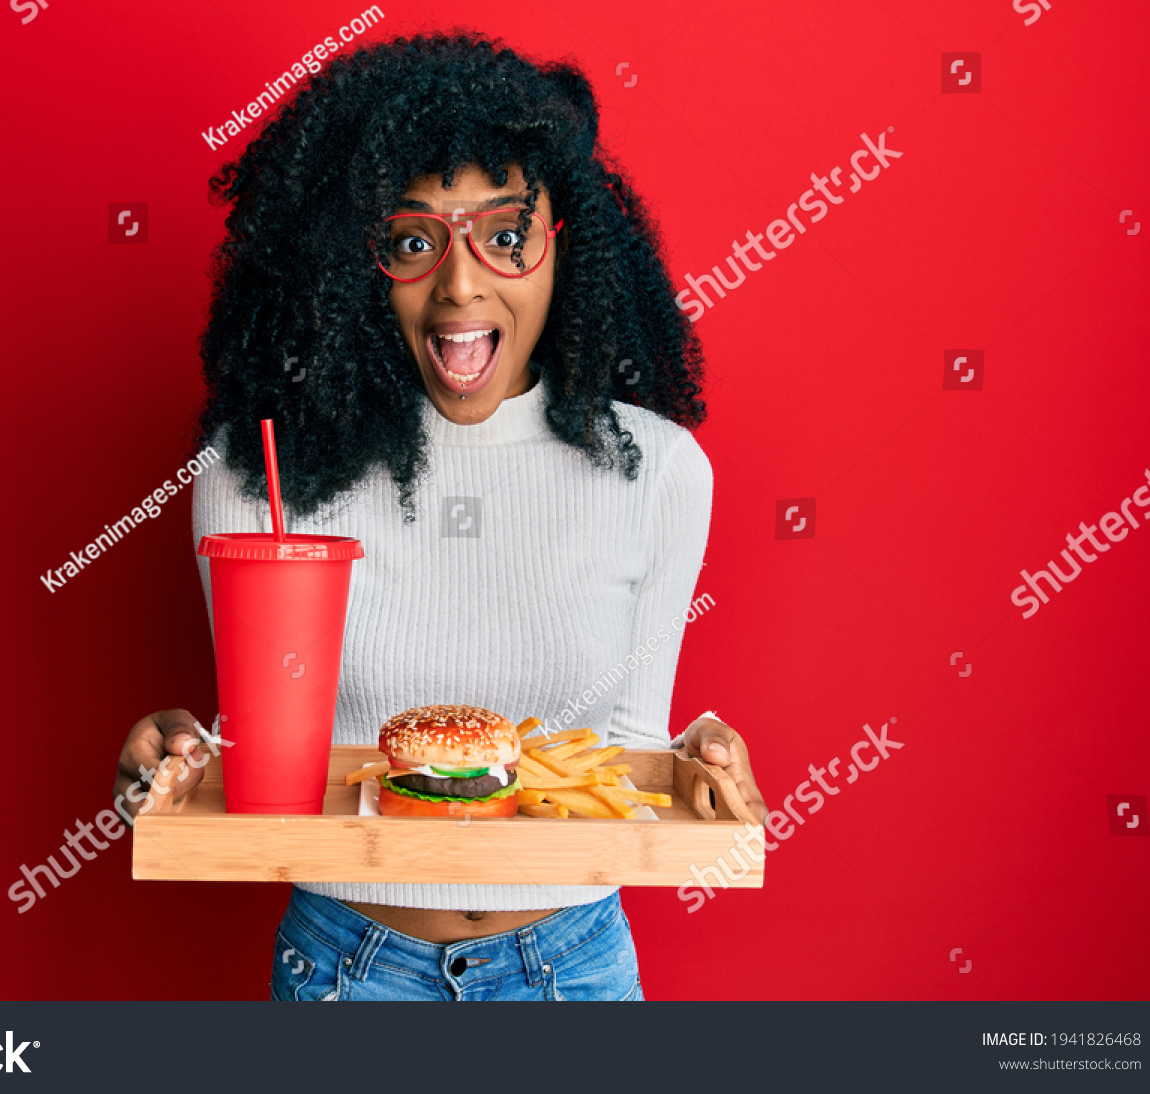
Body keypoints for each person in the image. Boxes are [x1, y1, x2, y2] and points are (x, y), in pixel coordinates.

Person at [114, 30, 767, 1001]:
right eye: (413, 242)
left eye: (505, 237)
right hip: (349, 973)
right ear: (353, 261)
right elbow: (266, 757)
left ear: (565, 248)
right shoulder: (259, 474)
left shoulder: (659, 472)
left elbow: (631, 749)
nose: (461, 285)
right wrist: (176, 758)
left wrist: (703, 758)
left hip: (573, 973)